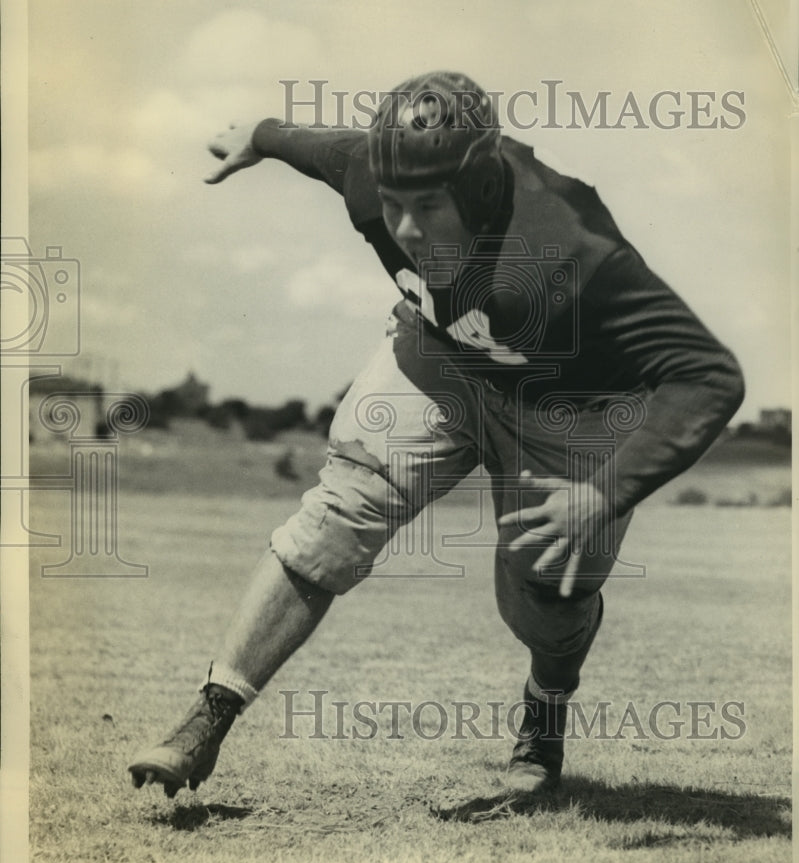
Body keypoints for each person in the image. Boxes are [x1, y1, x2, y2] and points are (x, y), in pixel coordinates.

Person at [128, 71, 744, 798]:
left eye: (426, 205)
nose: (407, 230)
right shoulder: (369, 174)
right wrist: (257, 137)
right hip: (439, 363)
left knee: (545, 597)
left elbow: (708, 375)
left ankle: (544, 713)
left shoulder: (570, 248)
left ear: (480, 191)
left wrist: (602, 492)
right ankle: (207, 717)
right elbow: (305, 143)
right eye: (393, 205)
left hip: (568, 408)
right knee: (338, 512)